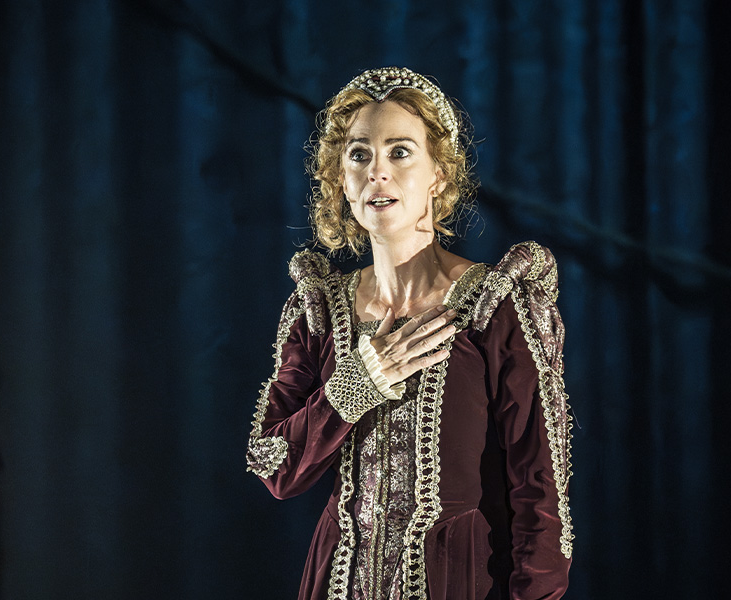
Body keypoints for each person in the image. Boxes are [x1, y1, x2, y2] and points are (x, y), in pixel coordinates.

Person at [245, 67, 573, 600]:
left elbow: (541, 492)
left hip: (458, 575)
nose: (378, 172)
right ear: (340, 180)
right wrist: (354, 388)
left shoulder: (496, 306)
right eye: (358, 154)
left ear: (438, 174)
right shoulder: (320, 310)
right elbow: (274, 467)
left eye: (400, 152)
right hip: (339, 581)